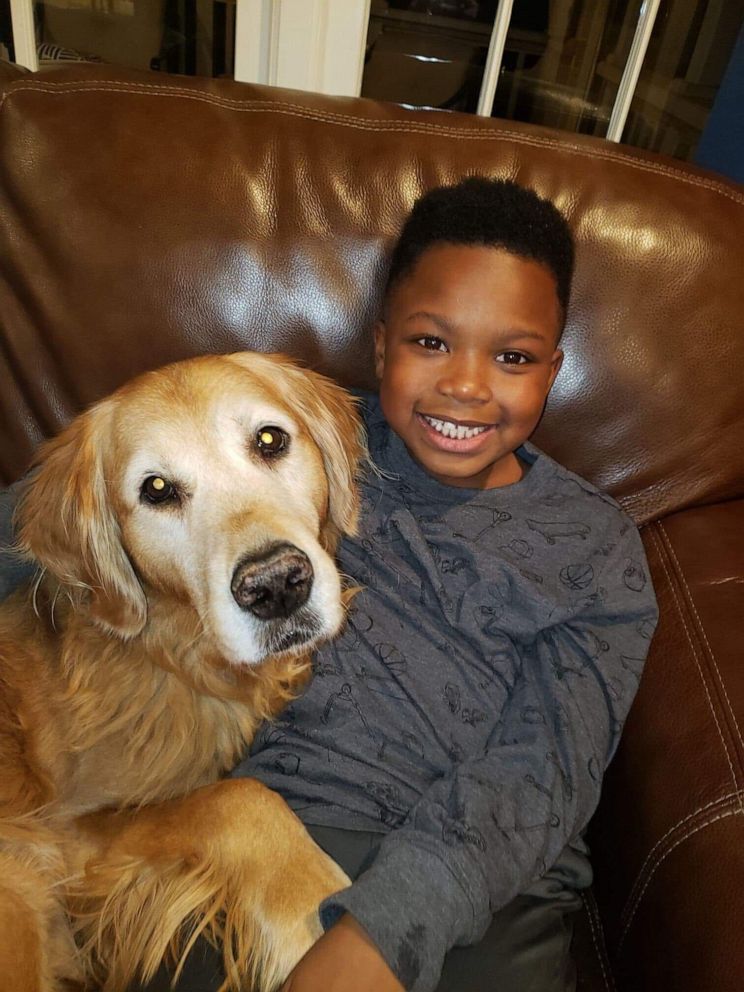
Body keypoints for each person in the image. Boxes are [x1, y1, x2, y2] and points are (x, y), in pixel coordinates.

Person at [0, 177, 658, 992]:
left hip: (486, 876)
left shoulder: (599, 548)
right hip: (267, 830)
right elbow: (39, 532)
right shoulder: (313, 423)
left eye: (513, 357)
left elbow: (548, 766)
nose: (465, 385)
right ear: (381, 348)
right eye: (430, 342)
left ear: (554, 370)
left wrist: (380, 937)